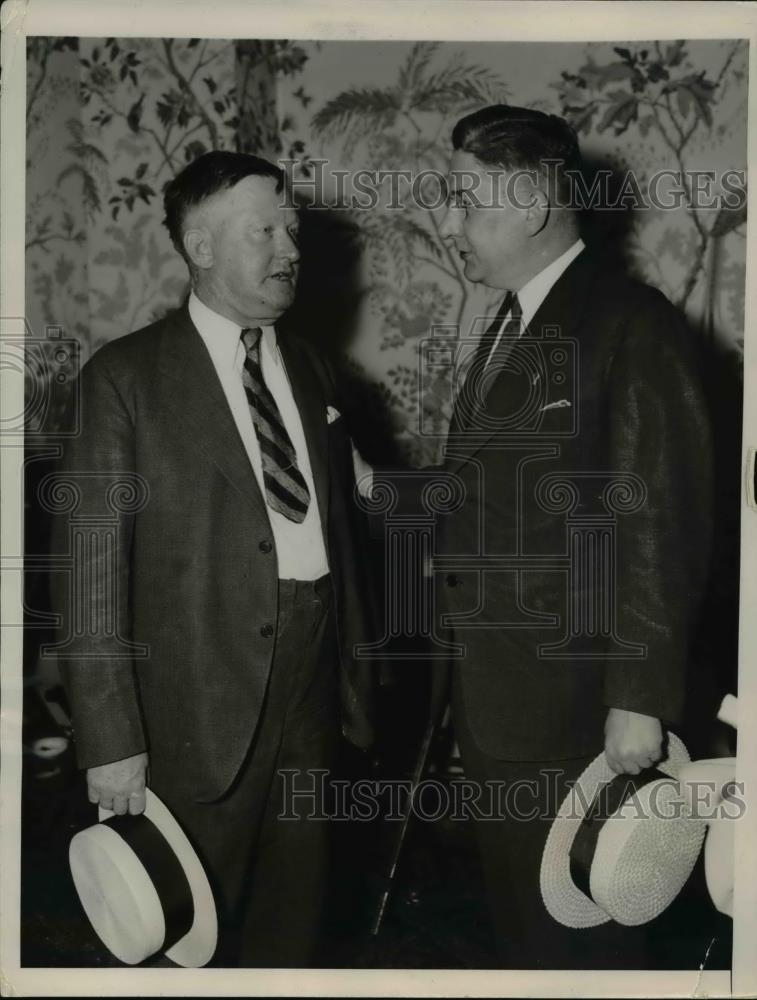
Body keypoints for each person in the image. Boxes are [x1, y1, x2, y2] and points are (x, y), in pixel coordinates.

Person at [358, 105, 713, 967]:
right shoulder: (510, 323)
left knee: (583, 943)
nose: (450, 222)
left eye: (463, 199)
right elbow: (498, 494)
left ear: (528, 205)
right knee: (529, 930)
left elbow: (659, 517)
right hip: (499, 700)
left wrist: (639, 698)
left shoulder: (630, 323)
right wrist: (377, 487)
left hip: (580, 708)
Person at [51, 151, 374, 967]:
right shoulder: (123, 379)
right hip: (189, 709)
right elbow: (90, 581)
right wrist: (111, 739)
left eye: (292, 228)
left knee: (292, 922)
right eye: (263, 230)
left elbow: (335, 514)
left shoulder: (308, 366)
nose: (289, 248)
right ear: (199, 246)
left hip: (313, 685)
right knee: (185, 931)